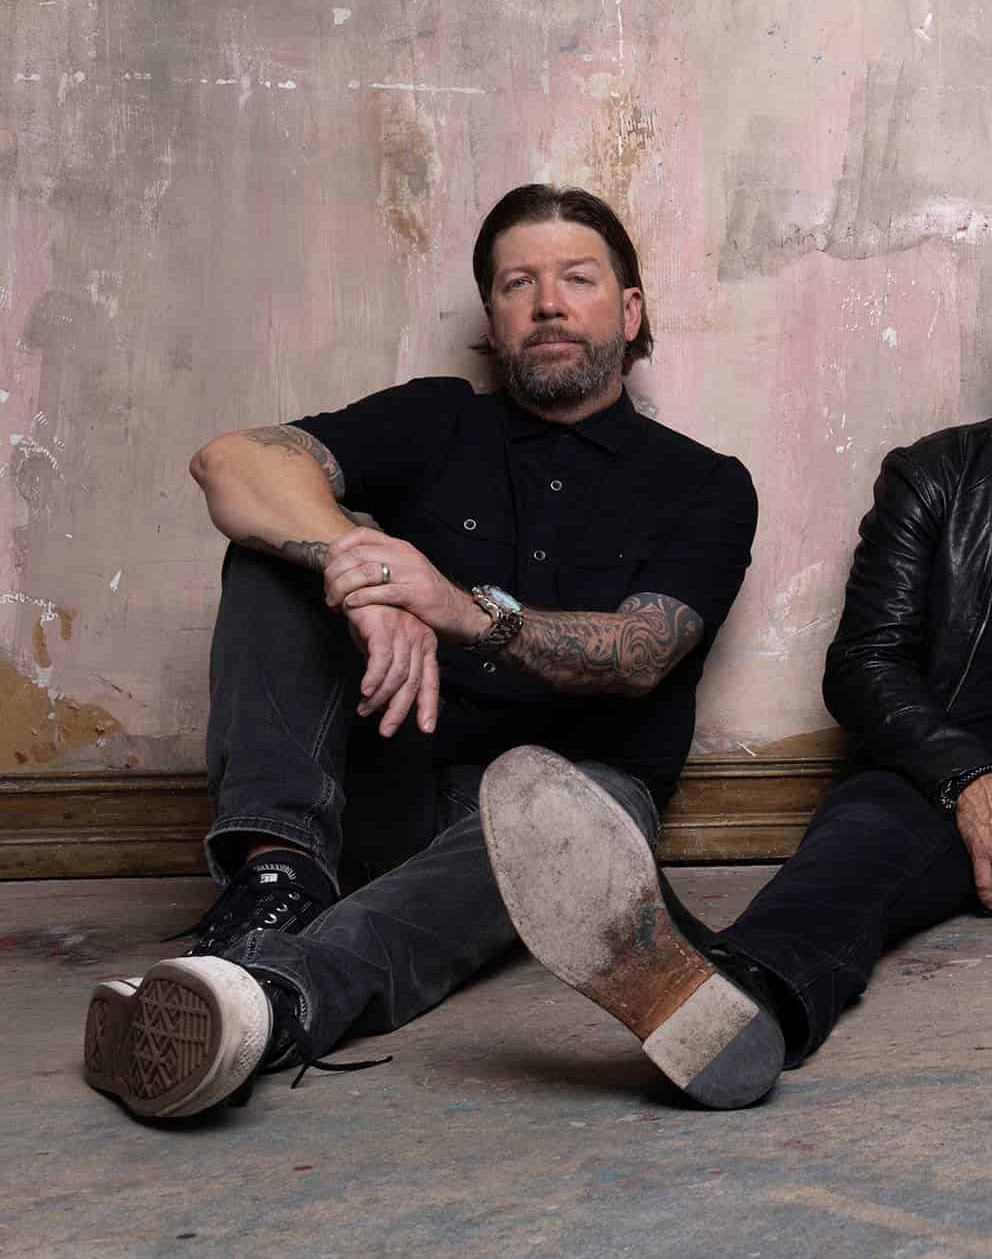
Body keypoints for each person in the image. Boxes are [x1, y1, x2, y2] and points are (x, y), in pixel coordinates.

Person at [481, 202, 992, 1108]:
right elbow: (863, 663)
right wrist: (970, 779)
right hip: (958, 769)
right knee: (856, 845)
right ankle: (738, 997)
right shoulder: (937, 474)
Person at [83, 184, 757, 1120]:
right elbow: (231, 463)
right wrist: (363, 574)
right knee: (275, 551)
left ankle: (266, 998)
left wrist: (457, 609)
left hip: (580, 802)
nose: (547, 303)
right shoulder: (440, 419)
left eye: (577, 279)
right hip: (391, 782)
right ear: (493, 316)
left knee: (549, 823)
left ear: (630, 310)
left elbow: (641, 653)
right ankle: (278, 879)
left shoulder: (704, 483)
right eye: (518, 283)